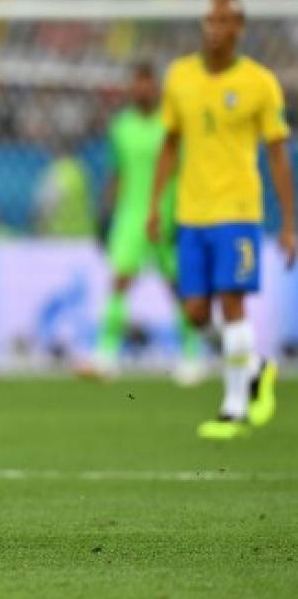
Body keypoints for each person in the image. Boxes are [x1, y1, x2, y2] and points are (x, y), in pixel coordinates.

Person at [148, 0, 295, 440]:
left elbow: (276, 154)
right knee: (195, 313)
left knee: (232, 305)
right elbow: (170, 143)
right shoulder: (179, 77)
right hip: (192, 213)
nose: (214, 26)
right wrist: (156, 205)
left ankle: (234, 408)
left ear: (239, 29)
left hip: (238, 212)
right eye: (210, 18)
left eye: (224, 20)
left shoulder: (260, 83)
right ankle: (254, 365)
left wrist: (289, 223)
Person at [77, 62, 204, 384]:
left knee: (178, 287)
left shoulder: (171, 124)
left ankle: (192, 356)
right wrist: (105, 216)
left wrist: (186, 213)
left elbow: (187, 172)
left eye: (147, 84)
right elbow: (116, 173)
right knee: (120, 281)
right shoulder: (121, 127)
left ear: (156, 87)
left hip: (167, 215)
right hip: (131, 217)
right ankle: (106, 356)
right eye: (137, 84)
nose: (142, 90)